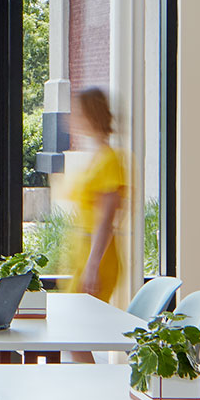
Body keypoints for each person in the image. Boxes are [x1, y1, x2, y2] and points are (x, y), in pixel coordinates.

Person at [52, 87, 128, 303]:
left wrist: (93, 266)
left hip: (98, 259)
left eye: (77, 113)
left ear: (90, 115)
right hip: (84, 253)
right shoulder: (97, 157)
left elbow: (106, 220)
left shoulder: (110, 161)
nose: (71, 118)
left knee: (81, 325)